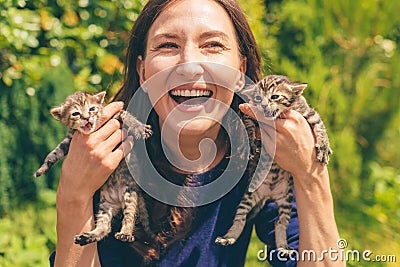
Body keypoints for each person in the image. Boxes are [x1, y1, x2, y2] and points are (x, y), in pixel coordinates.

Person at [52, 0, 344, 266]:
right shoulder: (102, 158)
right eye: (167, 46)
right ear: (142, 71)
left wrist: (311, 175)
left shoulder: (262, 157)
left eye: (213, 45)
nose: (189, 65)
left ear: (240, 69)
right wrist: (74, 195)